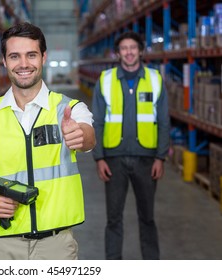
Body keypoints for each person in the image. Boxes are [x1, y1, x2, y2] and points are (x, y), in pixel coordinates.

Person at [0, 22, 96, 260]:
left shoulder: (68, 109)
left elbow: (88, 137)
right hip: (3, 244)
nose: (23, 64)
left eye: (31, 55)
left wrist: (80, 136)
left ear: (43, 57)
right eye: (14, 56)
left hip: (57, 245)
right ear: (4, 61)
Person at [92, 31, 170, 260]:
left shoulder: (155, 79)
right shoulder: (105, 80)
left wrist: (160, 157)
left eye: (133, 48)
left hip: (147, 160)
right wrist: (99, 158)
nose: (128, 52)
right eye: (124, 48)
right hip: (113, 160)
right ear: (118, 53)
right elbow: (97, 121)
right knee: (113, 219)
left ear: (141, 51)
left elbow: (164, 121)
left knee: (147, 217)